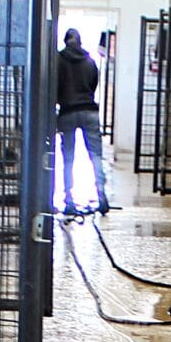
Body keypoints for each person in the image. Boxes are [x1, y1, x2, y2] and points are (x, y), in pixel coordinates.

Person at [54, 28, 110, 216]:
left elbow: (54, 87)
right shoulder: (90, 61)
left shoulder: (58, 61)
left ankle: (69, 199)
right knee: (95, 155)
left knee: (68, 158)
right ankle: (102, 196)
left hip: (68, 112)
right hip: (89, 111)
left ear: (65, 41)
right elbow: (94, 85)